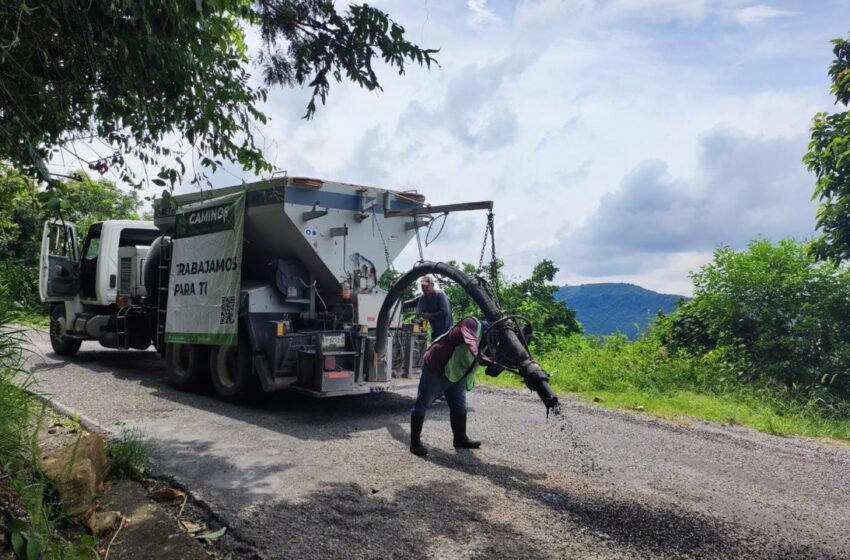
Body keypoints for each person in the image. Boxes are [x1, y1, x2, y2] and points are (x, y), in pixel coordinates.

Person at [409, 316, 488, 456]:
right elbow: (471, 342)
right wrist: (480, 356)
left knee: (459, 405)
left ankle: (460, 438)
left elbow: (492, 354)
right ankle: (415, 443)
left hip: (457, 370)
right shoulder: (471, 323)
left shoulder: (490, 338)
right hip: (437, 366)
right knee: (424, 402)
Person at [402, 275, 453, 340]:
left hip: (446, 331)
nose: (424, 288)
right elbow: (411, 303)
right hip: (435, 331)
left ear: (432, 285)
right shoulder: (423, 297)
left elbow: (444, 312)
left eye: (427, 286)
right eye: (423, 286)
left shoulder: (440, 294)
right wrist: (395, 303)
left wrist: (430, 315)